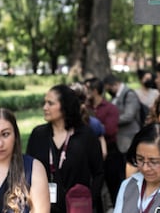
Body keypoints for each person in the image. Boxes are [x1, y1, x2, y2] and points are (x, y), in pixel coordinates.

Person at [26, 84, 104, 213]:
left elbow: (98, 173)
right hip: (44, 207)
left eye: (50, 103)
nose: (45, 107)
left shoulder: (85, 135)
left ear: (65, 106)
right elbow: (28, 171)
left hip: (77, 208)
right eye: (45, 103)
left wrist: (89, 201)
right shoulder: (38, 134)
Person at [84, 77, 122, 207]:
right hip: (90, 152)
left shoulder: (110, 108)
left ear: (94, 91)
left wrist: (95, 127)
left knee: (114, 186)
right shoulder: (85, 107)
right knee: (95, 188)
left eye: (87, 89)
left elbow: (110, 130)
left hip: (110, 152)